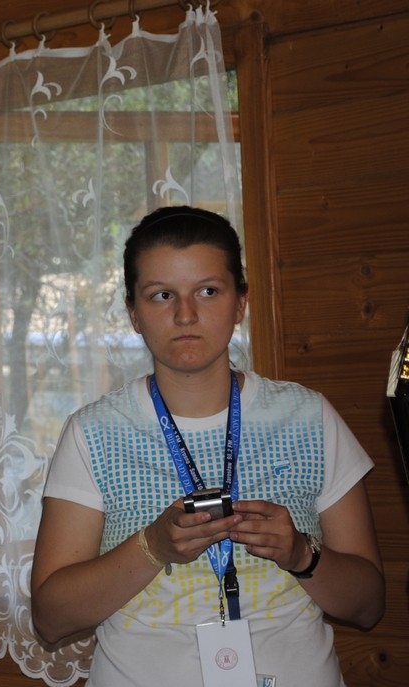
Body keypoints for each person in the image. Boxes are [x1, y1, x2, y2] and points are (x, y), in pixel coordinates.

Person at [30, 206, 384, 686]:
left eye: (208, 291)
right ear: (134, 314)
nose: (185, 314)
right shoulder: (92, 433)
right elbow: (50, 620)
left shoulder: (309, 417)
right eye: (162, 295)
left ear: (240, 303)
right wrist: (152, 547)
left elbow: (368, 606)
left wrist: (303, 554)